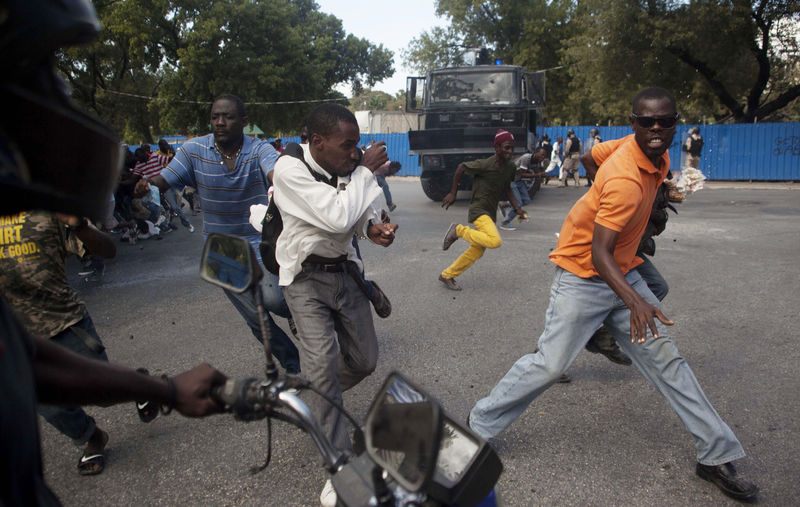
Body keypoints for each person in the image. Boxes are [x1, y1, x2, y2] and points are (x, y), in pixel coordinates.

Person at [468, 88, 758, 501]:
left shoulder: (653, 153)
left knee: (667, 361)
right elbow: (598, 253)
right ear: (633, 122)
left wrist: (600, 188)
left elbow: (590, 160)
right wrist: (636, 300)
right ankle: (478, 426)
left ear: (674, 123)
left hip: (624, 271)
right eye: (646, 122)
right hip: (584, 274)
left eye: (664, 121)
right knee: (550, 364)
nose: (656, 129)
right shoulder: (623, 177)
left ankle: (715, 453)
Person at [0, 3, 227, 504]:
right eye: (40, 73)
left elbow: (20, 360)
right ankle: (89, 438)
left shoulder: (43, 212)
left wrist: (163, 391)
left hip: (63, 322)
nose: (58, 101)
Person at [271, 103, 395, 506]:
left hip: (345, 272)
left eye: (358, 147)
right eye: (348, 146)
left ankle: (315, 398)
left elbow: (354, 216)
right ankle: (339, 465)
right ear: (318, 142)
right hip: (304, 279)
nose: (355, 153)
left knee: (364, 361)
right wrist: (366, 172)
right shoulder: (288, 170)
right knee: (322, 362)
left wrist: (373, 228)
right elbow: (337, 217)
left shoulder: (344, 170)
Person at [151, 95, 301, 375]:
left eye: (228, 117)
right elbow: (165, 178)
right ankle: (294, 366)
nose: (220, 122)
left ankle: (298, 314)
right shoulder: (193, 150)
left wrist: (284, 180)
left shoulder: (258, 149)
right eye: (215, 117)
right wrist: (145, 186)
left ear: (243, 122)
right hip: (222, 250)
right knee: (256, 319)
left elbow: (276, 172)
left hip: (261, 241)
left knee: (274, 300)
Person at [0, 211, 117, 475]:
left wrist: (80, 225)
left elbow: (108, 250)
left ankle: (142, 384)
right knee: (50, 406)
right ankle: (92, 436)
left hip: (66, 323)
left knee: (103, 392)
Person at [439, 129, 525, 291]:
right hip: (479, 209)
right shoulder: (485, 164)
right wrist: (453, 192)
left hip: (490, 212)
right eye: (506, 147)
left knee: (477, 251)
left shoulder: (510, 168)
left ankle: (447, 275)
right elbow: (461, 168)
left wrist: (517, 208)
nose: (510, 151)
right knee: (495, 241)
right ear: (497, 148)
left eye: (512, 148)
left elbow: (508, 189)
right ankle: (459, 230)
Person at [499, 147, 547, 231]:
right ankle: (504, 223)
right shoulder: (526, 158)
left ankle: (504, 204)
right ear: (536, 152)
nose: (542, 157)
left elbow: (535, 172)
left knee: (526, 200)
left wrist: (542, 173)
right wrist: (537, 175)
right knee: (518, 204)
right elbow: (522, 174)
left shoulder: (537, 161)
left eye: (544, 156)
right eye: (541, 155)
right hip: (511, 180)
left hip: (518, 181)